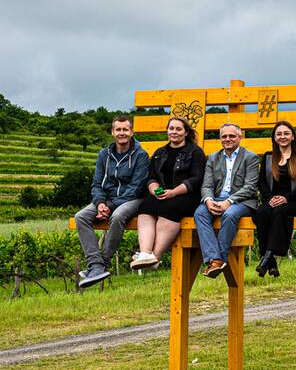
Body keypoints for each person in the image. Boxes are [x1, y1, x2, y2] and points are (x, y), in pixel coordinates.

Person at [75, 116, 149, 288]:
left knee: (117, 216)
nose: (121, 133)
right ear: (112, 132)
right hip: (106, 200)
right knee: (81, 217)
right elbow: (96, 184)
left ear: (131, 132)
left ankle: (104, 262)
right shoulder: (103, 155)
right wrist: (100, 202)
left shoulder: (141, 155)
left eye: (125, 129)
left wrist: (109, 206)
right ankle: (95, 264)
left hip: (134, 199)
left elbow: (137, 188)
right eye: (118, 130)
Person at [132, 116, 206, 269]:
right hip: (163, 195)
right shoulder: (160, 152)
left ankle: (156, 257)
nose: (174, 132)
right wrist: (154, 190)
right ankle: (145, 253)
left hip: (187, 196)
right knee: (145, 206)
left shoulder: (195, 152)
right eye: (171, 128)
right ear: (167, 131)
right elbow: (151, 176)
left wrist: (173, 192)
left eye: (178, 129)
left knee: (169, 208)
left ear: (186, 133)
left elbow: (196, 179)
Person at [192, 123, 260, 279]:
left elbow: (250, 187)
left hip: (242, 201)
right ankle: (215, 259)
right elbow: (207, 185)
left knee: (229, 215)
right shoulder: (213, 158)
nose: (227, 139)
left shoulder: (250, 157)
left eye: (232, 136)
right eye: (224, 136)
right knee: (200, 213)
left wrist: (229, 201)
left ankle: (217, 260)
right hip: (216, 199)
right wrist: (208, 200)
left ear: (240, 138)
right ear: (220, 138)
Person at [253, 121, 296, 279]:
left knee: (279, 213)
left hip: (294, 202)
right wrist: (270, 198)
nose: (282, 137)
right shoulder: (268, 157)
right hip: (271, 200)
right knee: (261, 212)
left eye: (286, 133)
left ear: (292, 136)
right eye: (279, 134)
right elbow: (261, 182)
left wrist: (286, 198)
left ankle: (266, 259)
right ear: (274, 137)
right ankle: (270, 262)